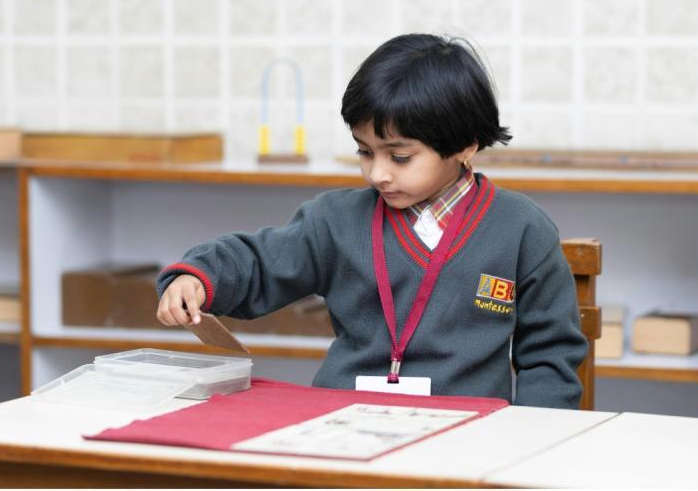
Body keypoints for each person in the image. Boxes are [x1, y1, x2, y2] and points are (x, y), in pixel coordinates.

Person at [156, 33, 588, 408]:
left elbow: (550, 358)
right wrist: (199, 277)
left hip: (468, 434)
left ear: (465, 145)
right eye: (365, 151)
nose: (377, 172)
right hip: (341, 422)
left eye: (399, 156)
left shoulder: (522, 229)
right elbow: (262, 261)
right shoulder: (335, 220)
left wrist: (529, 437)